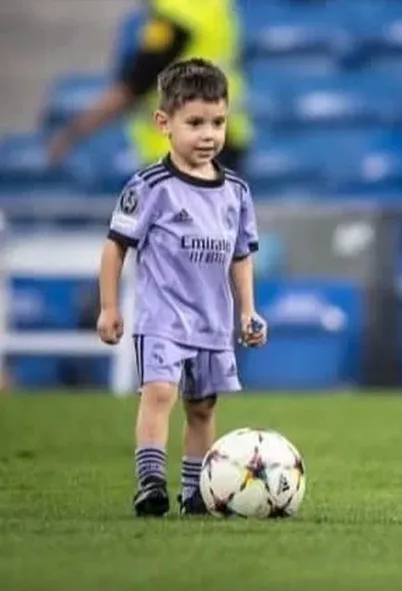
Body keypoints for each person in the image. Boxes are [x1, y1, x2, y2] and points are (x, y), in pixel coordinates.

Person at [97, 58, 266, 517]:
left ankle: (197, 492)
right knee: (159, 393)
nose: (208, 134)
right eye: (195, 123)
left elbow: (241, 254)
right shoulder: (151, 187)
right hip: (163, 319)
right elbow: (115, 247)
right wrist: (110, 307)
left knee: (203, 407)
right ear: (164, 123)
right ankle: (151, 481)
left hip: (212, 323)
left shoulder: (236, 192)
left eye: (218, 122)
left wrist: (248, 311)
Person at [48, 0, 251, 173]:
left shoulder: (176, 13)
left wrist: (74, 132)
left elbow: (136, 83)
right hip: (218, 141)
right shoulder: (212, 7)